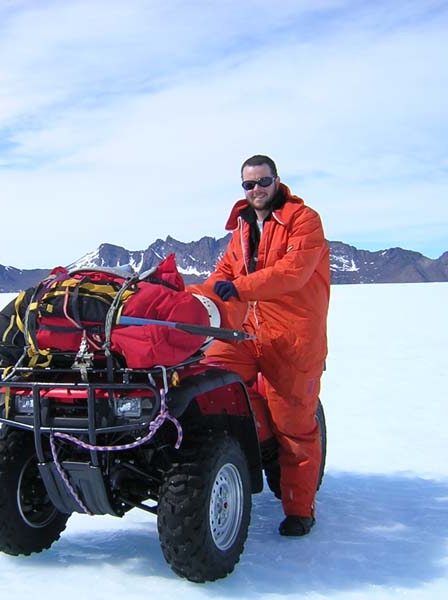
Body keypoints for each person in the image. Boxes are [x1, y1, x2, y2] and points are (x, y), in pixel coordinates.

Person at [200, 154, 330, 537]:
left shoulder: (303, 220)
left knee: (294, 427)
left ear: (277, 181)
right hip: (245, 333)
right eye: (248, 184)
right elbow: (223, 275)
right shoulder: (241, 228)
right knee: (209, 383)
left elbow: (293, 274)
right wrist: (188, 298)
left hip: (291, 340)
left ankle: (299, 509)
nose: (256, 190)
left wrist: (241, 287)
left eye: (262, 182)